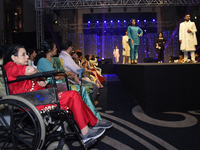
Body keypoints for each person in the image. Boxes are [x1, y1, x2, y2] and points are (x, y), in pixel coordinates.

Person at [3, 44, 112, 142]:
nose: (27, 56)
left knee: (74, 95)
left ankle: (94, 122)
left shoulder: (19, 67)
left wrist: (41, 79)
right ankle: (85, 132)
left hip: (39, 97)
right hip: (33, 100)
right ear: (13, 57)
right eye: (23, 55)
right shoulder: (10, 67)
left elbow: (32, 76)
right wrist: (38, 74)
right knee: (73, 95)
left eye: (26, 54)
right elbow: (31, 71)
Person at [34, 40, 101, 120]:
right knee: (82, 89)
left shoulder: (54, 59)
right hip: (52, 87)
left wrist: (70, 74)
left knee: (83, 88)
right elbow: (55, 76)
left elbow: (60, 73)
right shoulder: (43, 61)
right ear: (49, 50)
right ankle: (88, 116)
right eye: (55, 48)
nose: (56, 49)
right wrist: (70, 74)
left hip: (60, 83)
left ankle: (87, 114)